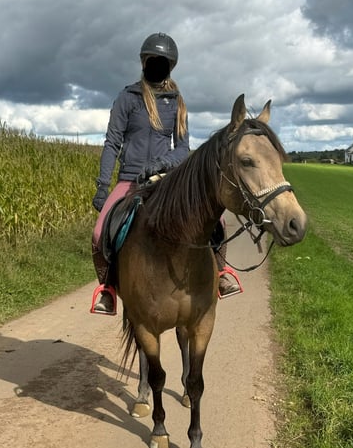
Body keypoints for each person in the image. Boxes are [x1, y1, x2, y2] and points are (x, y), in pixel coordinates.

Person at [90, 32, 241, 314]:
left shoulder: (177, 102)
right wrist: (102, 186)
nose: (156, 64)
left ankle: (220, 274)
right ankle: (108, 289)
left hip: (166, 179)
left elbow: (182, 148)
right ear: (144, 61)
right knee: (100, 232)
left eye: (162, 61)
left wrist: (160, 164)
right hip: (131, 179)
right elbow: (112, 143)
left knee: (217, 220)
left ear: (170, 66)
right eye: (152, 60)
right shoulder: (127, 97)